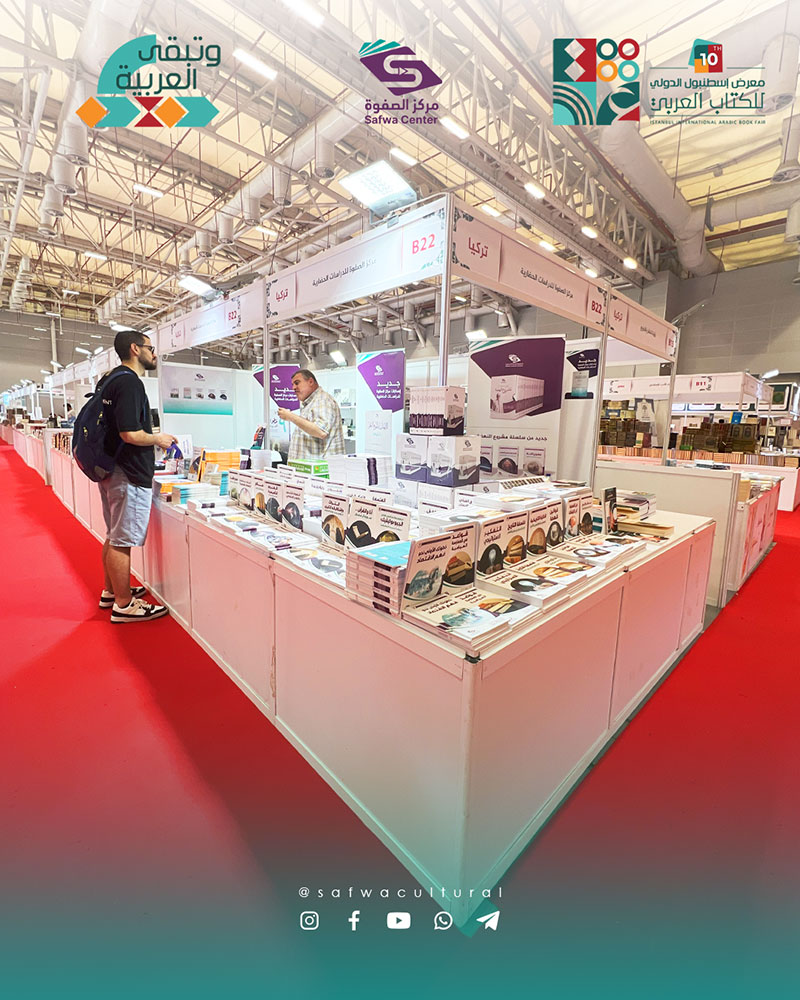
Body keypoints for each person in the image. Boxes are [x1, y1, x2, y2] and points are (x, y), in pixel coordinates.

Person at [97, 330, 177, 623]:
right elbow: (130, 433)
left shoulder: (110, 379)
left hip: (111, 468)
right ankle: (123, 604)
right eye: (150, 348)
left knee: (113, 535)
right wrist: (158, 439)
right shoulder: (130, 382)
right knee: (121, 540)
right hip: (127, 472)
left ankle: (111, 592)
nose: (154, 354)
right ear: (135, 348)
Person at [278, 369, 346, 464]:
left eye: (297, 383)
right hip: (309, 469)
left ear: (310, 382)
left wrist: (290, 416)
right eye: (293, 384)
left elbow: (321, 431)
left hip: (319, 470)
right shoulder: (311, 403)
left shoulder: (322, 400)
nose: (293, 388)